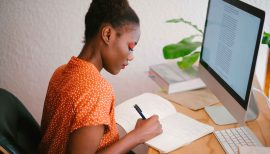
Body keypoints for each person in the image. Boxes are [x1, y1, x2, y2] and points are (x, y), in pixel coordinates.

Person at [39, 0, 163, 153]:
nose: (131, 57)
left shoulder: (61, 71)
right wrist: (137, 136)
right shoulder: (97, 91)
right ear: (107, 34)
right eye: (130, 47)